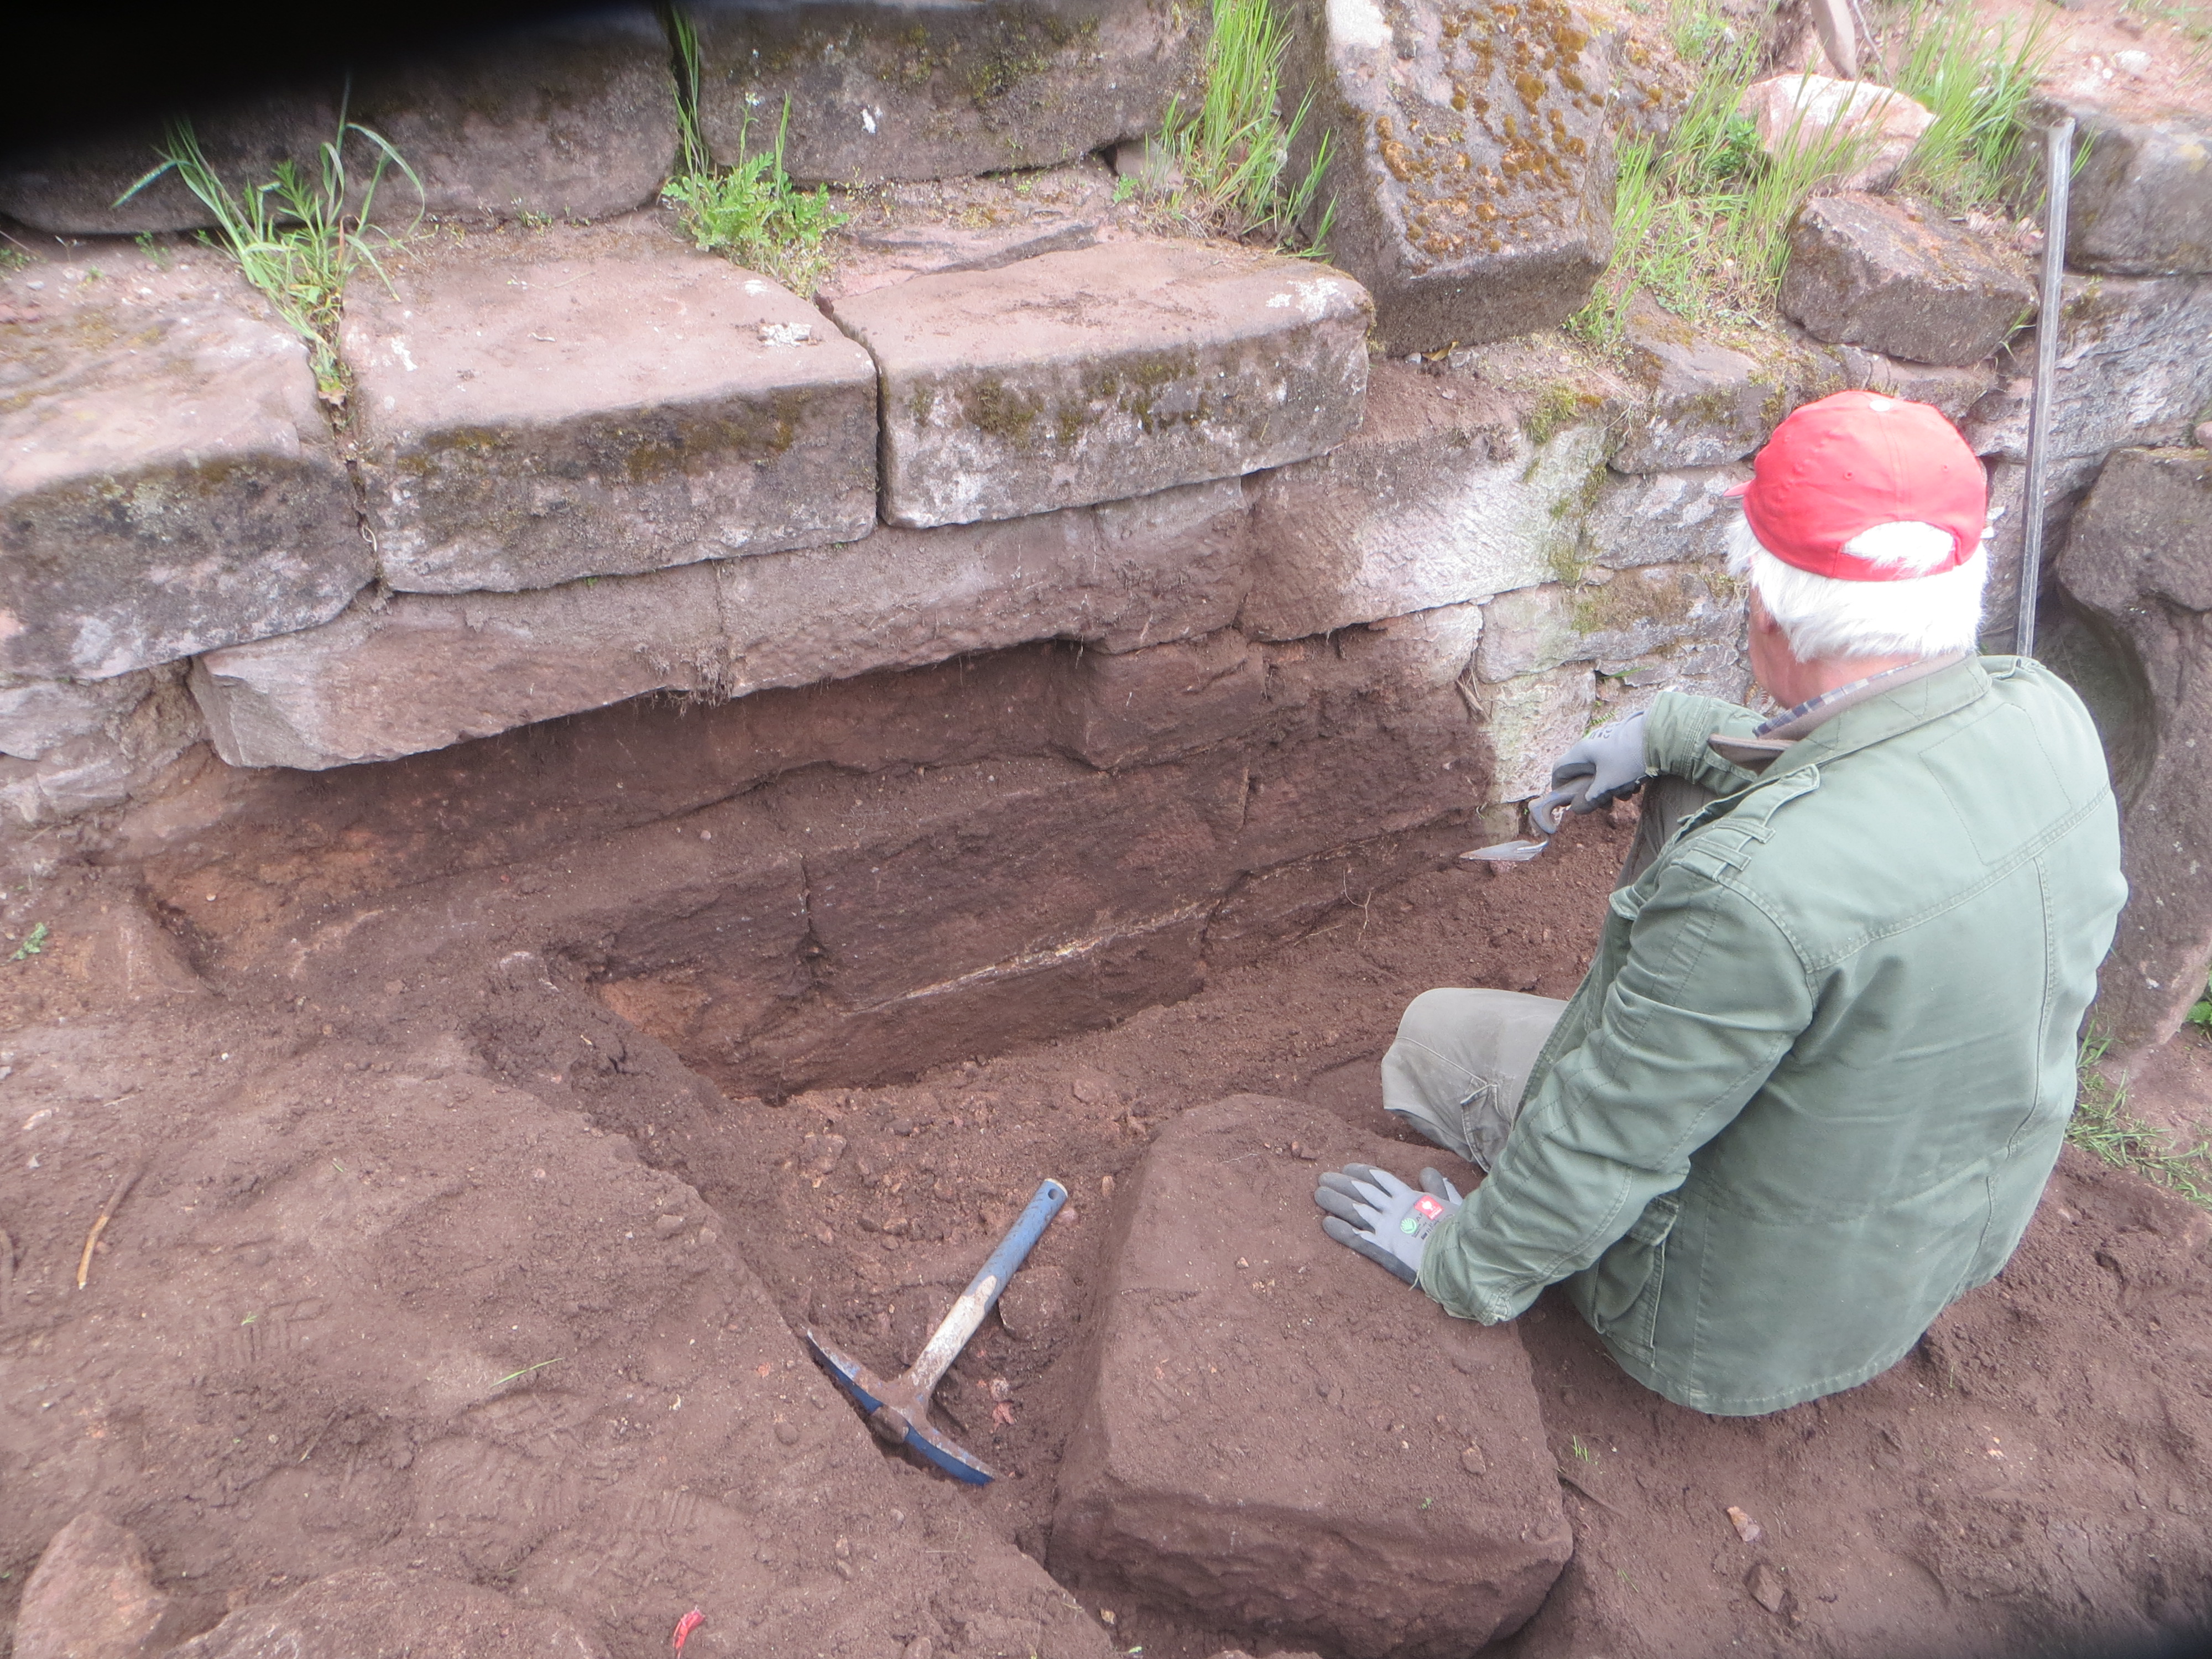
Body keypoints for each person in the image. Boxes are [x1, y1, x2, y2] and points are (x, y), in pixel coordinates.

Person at [1314, 390, 2128, 1417]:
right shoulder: (2047, 714)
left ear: (1769, 610)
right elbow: (1872, 757)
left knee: (1435, 1036)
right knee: (1693, 806)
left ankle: (1637, 1061)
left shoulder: (1750, 891)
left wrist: (1454, 1258)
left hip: (1714, 1326)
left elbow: (1603, 1144)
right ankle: (1662, 1035)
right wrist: (1665, 730)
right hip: (1933, 1244)